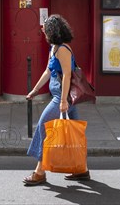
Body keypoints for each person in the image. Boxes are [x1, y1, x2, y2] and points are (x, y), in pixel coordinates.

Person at [23, 14, 90, 186]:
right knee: (75, 134)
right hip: (62, 97)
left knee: (43, 128)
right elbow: (47, 71)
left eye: (44, 27)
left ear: (52, 30)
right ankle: (81, 169)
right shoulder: (53, 48)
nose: (42, 30)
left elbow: (67, 75)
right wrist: (35, 90)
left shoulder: (63, 49)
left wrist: (62, 102)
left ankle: (39, 172)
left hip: (62, 97)